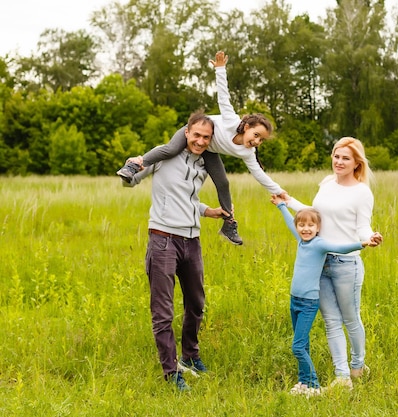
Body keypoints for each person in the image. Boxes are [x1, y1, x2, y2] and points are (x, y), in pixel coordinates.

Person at [116, 51, 286, 246]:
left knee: (223, 182)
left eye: (261, 140)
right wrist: (220, 69)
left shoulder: (247, 152)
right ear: (246, 127)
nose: (257, 142)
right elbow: (224, 98)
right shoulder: (232, 121)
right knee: (170, 150)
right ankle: (134, 166)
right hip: (197, 131)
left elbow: (259, 174)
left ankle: (228, 224)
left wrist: (279, 190)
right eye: (256, 135)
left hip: (209, 149)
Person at [121, 111, 229, 392]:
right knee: (163, 312)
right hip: (163, 240)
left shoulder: (204, 163)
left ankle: (190, 357)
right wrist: (131, 167)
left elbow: (188, 199)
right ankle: (171, 372)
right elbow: (133, 179)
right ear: (186, 133)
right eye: (196, 135)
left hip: (191, 241)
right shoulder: (165, 156)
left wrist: (209, 211)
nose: (201, 141)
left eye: (206, 137)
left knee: (196, 304)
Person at [284, 137, 383, 390]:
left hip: (346, 264)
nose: (339, 162)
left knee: (350, 319)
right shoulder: (327, 183)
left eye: (345, 158)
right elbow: (314, 213)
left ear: (356, 163)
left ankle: (358, 366)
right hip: (321, 261)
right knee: (330, 320)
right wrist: (287, 201)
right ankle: (342, 376)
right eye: (336, 156)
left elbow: (362, 225)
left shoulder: (362, 192)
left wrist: (368, 238)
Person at [271, 195, 377, 396]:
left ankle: (313, 385)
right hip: (295, 301)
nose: (306, 229)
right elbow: (289, 222)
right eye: (301, 225)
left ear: (318, 228)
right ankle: (303, 382)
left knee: (297, 347)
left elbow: (340, 248)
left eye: (311, 225)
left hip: (309, 302)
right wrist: (282, 205)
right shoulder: (301, 241)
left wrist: (362, 243)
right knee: (304, 345)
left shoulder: (319, 244)